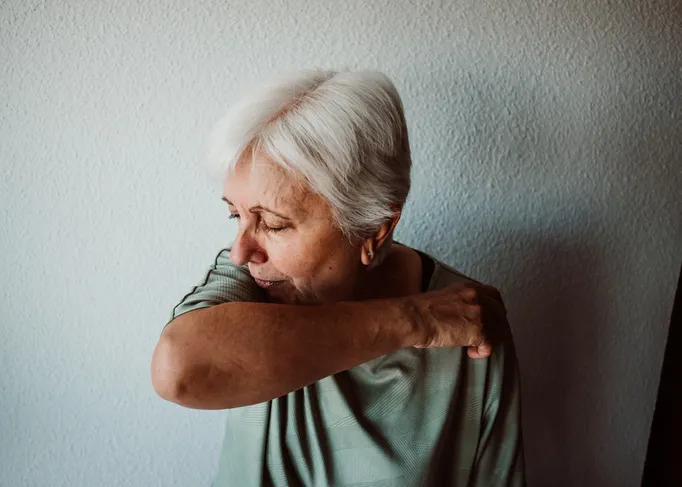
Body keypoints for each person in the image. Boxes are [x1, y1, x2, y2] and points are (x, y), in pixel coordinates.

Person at [151, 69, 526, 486]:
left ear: (374, 229)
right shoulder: (245, 278)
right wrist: (414, 320)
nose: (241, 251)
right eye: (235, 215)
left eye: (274, 225)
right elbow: (178, 369)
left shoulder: (470, 328)